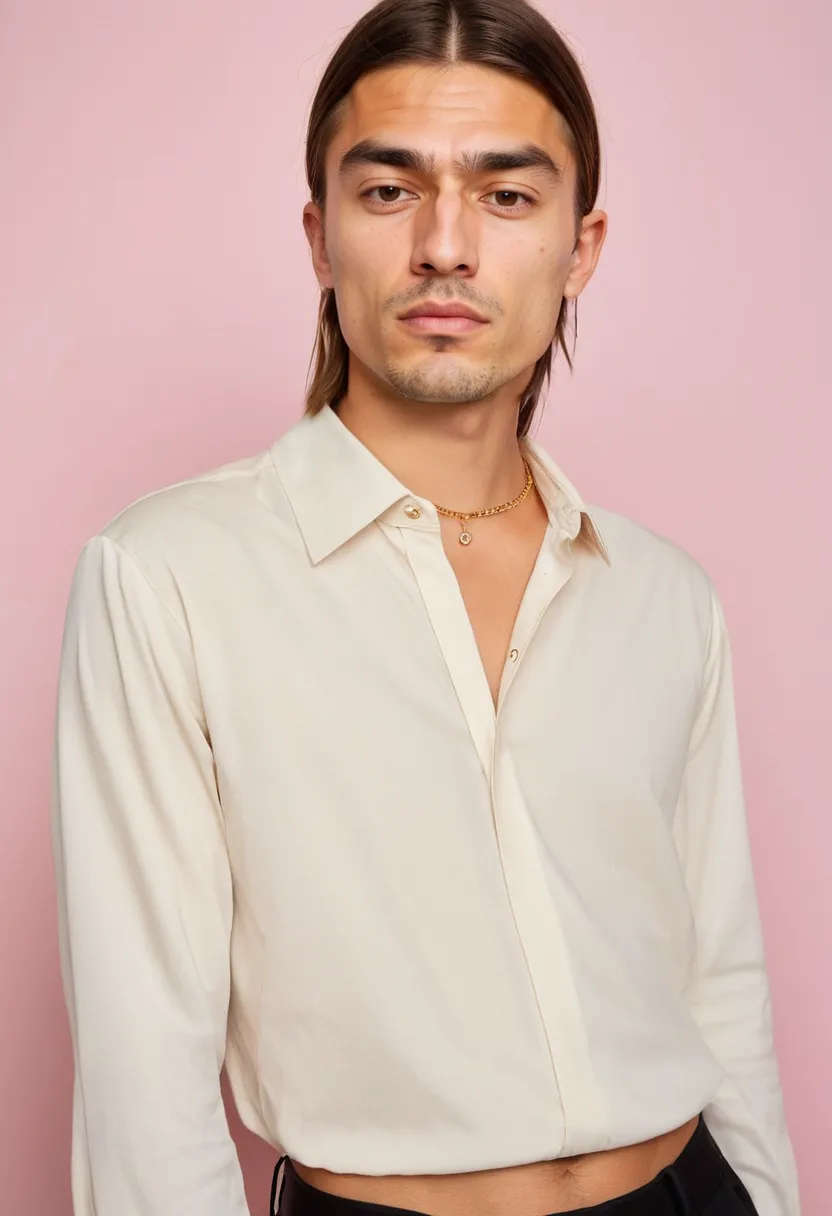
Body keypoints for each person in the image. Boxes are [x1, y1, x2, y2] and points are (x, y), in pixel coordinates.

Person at [49, 0, 801, 1213]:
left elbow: (721, 983)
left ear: (581, 245)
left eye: (507, 196)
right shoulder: (167, 577)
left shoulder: (662, 595)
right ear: (319, 232)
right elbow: (143, 1080)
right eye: (389, 191)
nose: (445, 246)